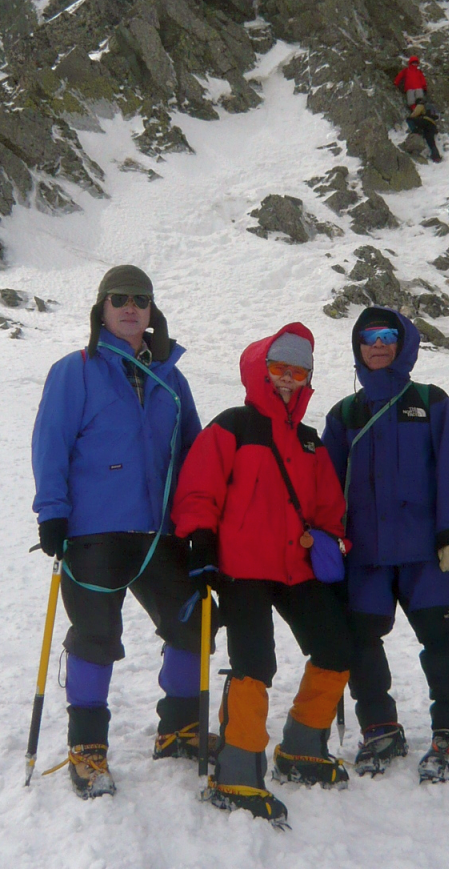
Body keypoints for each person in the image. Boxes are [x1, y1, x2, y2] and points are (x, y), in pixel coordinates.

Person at [31, 265, 209, 799]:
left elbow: (193, 454)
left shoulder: (172, 380)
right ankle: (87, 748)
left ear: (151, 312)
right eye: (118, 299)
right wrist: (52, 513)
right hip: (93, 531)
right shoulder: (76, 369)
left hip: (160, 532)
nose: (129, 307)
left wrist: (199, 520)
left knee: (194, 623)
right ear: (102, 310)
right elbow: (51, 442)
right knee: (96, 638)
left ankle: (179, 728)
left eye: (140, 299)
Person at [172, 324, 352, 826]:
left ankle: (301, 747)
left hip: (296, 565)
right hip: (242, 565)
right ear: (260, 370)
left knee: (336, 645)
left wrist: (331, 538)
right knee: (255, 662)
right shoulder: (232, 425)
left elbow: (330, 509)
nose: (288, 379)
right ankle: (236, 771)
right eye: (279, 368)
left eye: (299, 370)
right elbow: (198, 490)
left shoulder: (311, 443)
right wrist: (201, 541)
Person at [322, 308, 449, 784]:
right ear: (358, 348)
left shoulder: (431, 403)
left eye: (387, 335)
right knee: (362, 644)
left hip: (425, 553)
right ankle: (380, 727)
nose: (377, 344)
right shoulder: (345, 414)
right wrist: (327, 542)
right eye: (367, 337)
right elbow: (326, 486)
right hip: (365, 555)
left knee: (440, 642)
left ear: (402, 341)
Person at [407, 98, 442, 163]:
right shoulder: (432, 106)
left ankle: (416, 130)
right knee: (430, 141)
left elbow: (414, 115)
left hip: (425, 121)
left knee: (409, 119)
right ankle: (436, 157)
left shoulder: (421, 105)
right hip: (433, 125)